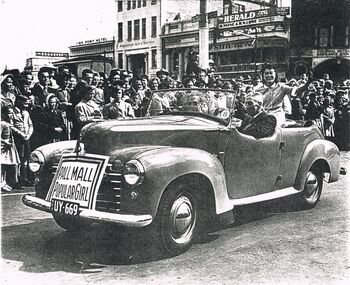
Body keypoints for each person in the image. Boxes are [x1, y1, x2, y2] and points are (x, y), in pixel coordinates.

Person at [11, 95, 33, 186]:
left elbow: (30, 125)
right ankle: (17, 179)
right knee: (18, 158)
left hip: (26, 138)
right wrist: (21, 134)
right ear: (19, 102)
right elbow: (11, 126)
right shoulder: (13, 112)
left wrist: (28, 135)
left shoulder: (26, 113)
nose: (26, 104)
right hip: (18, 138)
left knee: (26, 158)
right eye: (25, 102)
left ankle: (25, 178)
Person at [1, 105, 20, 192]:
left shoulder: (8, 123)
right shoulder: (2, 124)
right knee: (2, 165)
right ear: (4, 114)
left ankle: (4, 182)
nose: (11, 115)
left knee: (7, 164)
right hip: (3, 147)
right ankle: (2, 183)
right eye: (9, 113)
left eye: (12, 113)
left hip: (9, 146)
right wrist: (5, 142)